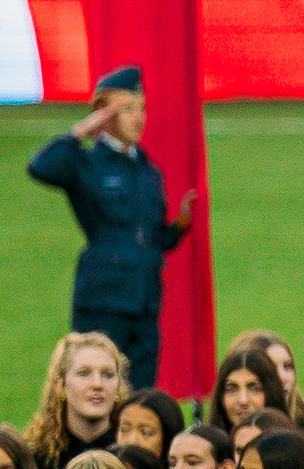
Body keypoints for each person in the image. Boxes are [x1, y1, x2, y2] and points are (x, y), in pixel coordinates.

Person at [24, 67, 192, 387]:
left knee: (141, 399)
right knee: (95, 393)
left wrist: (181, 224)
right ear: (104, 114)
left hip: (144, 302)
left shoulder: (148, 171)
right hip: (104, 302)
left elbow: (152, 239)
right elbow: (40, 167)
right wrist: (85, 129)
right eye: (127, 109)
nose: (138, 118)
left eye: (141, 108)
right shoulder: (86, 162)